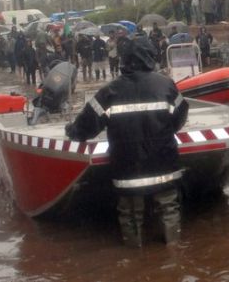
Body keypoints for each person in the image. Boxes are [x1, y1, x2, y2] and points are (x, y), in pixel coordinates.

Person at [65, 36, 189, 248]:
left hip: (128, 170)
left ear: (124, 59)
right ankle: (174, 253)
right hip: (165, 165)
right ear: (150, 57)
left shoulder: (110, 91)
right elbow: (180, 116)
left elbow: (86, 126)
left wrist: (72, 131)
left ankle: (134, 258)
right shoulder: (166, 85)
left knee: (131, 215)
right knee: (169, 208)